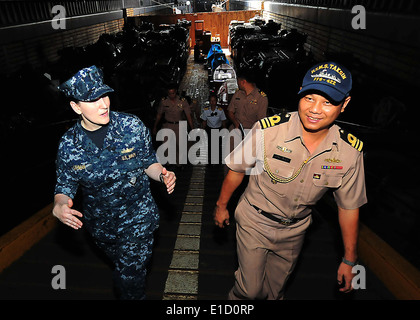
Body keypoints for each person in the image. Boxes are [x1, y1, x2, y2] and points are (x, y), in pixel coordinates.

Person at [214, 61, 367, 300]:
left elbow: (349, 207)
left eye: (327, 102)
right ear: (300, 93)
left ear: (344, 104)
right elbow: (237, 168)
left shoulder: (349, 152)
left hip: (295, 231)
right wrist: (221, 206)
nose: (315, 109)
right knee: (249, 290)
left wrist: (349, 259)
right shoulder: (268, 131)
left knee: (275, 293)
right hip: (255, 221)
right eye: (309, 98)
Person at [53, 65, 176, 300]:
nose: (104, 104)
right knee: (123, 269)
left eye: (104, 95)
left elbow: (148, 162)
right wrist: (59, 205)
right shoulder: (68, 145)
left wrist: (162, 173)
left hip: (137, 219)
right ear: (75, 106)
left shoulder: (131, 126)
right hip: (101, 227)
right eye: (92, 100)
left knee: (130, 276)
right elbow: (64, 186)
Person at [153, 84, 195, 165]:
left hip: (179, 125)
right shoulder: (164, 101)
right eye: (170, 93)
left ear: (176, 92)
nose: (172, 95)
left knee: (180, 145)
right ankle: (168, 162)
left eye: (173, 93)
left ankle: (180, 163)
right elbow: (159, 114)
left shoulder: (182, 101)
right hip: (168, 125)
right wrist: (155, 126)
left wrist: (192, 128)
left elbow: (188, 115)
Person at [226, 68, 268, 150]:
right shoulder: (238, 94)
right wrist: (236, 123)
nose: (237, 83)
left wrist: (248, 136)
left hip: (250, 136)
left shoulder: (261, 98)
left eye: (237, 80)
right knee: (230, 159)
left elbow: (261, 122)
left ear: (243, 82)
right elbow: (230, 111)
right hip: (235, 132)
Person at [201, 93, 227, 164]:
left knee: (218, 145)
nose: (213, 103)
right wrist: (203, 130)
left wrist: (224, 130)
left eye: (214, 101)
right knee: (209, 144)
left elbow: (223, 121)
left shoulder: (220, 110)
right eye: (211, 101)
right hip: (209, 129)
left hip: (218, 129)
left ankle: (217, 159)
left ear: (216, 101)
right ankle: (210, 159)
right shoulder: (206, 111)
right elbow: (204, 121)